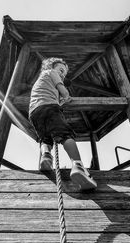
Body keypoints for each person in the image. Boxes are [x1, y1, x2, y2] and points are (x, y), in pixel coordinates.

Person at [29, 57, 97, 190]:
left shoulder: (40, 81)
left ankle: (46, 156)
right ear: (51, 67)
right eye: (61, 70)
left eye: (64, 73)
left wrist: (61, 101)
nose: (62, 74)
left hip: (34, 112)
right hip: (50, 108)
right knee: (66, 135)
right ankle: (78, 166)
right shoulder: (51, 73)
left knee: (45, 138)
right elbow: (62, 90)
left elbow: (52, 98)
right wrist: (66, 95)